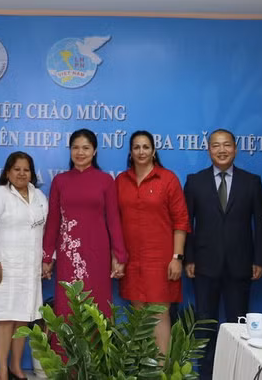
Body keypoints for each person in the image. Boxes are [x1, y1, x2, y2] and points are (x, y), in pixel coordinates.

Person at [183, 128, 262, 380]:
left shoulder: (251, 181)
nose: (221, 150)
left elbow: (261, 223)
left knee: (238, 327)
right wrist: (189, 258)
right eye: (216, 145)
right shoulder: (194, 181)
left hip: (240, 265)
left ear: (235, 148)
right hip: (204, 266)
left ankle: (237, 375)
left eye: (226, 145)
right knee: (205, 328)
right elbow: (187, 223)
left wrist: (260, 259)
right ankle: (206, 376)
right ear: (208, 149)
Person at [116, 130, 190, 355]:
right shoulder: (121, 180)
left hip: (161, 260)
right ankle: (143, 370)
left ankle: (161, 371)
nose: (141, 151)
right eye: (136, 147)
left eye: (145, 147)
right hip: (132, 260)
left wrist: (177, 258)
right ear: (130, 152)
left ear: (154, 151)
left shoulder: (168, 179)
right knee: (139, 317)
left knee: (159, 314)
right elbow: (115, 221)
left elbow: (181, 221)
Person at [42, 128, 127, 319]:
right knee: (68, 303)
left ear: (94, 151)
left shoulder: (105, 181)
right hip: (68, 252)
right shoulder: (60, 181)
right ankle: (65, 350)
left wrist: (119, 255)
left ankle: (97, 349)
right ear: (70, 150)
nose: (80, 153)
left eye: (86, 148)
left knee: (97, 302)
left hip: (97, 252)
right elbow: (53, 221)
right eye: (75, 148)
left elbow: (113, 220)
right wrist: (47, 257)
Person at [0, 152, 48, 380]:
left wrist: (47, 260)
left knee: (23, 318)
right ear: (7, 172)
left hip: (29, 269)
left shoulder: (39, 197)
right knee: (5, 318)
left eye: (26, 169)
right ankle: (1, 370)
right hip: (3, 268)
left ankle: (16, 367)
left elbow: (45, 232)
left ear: (32, 173)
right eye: (16, 169)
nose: (21, 173)